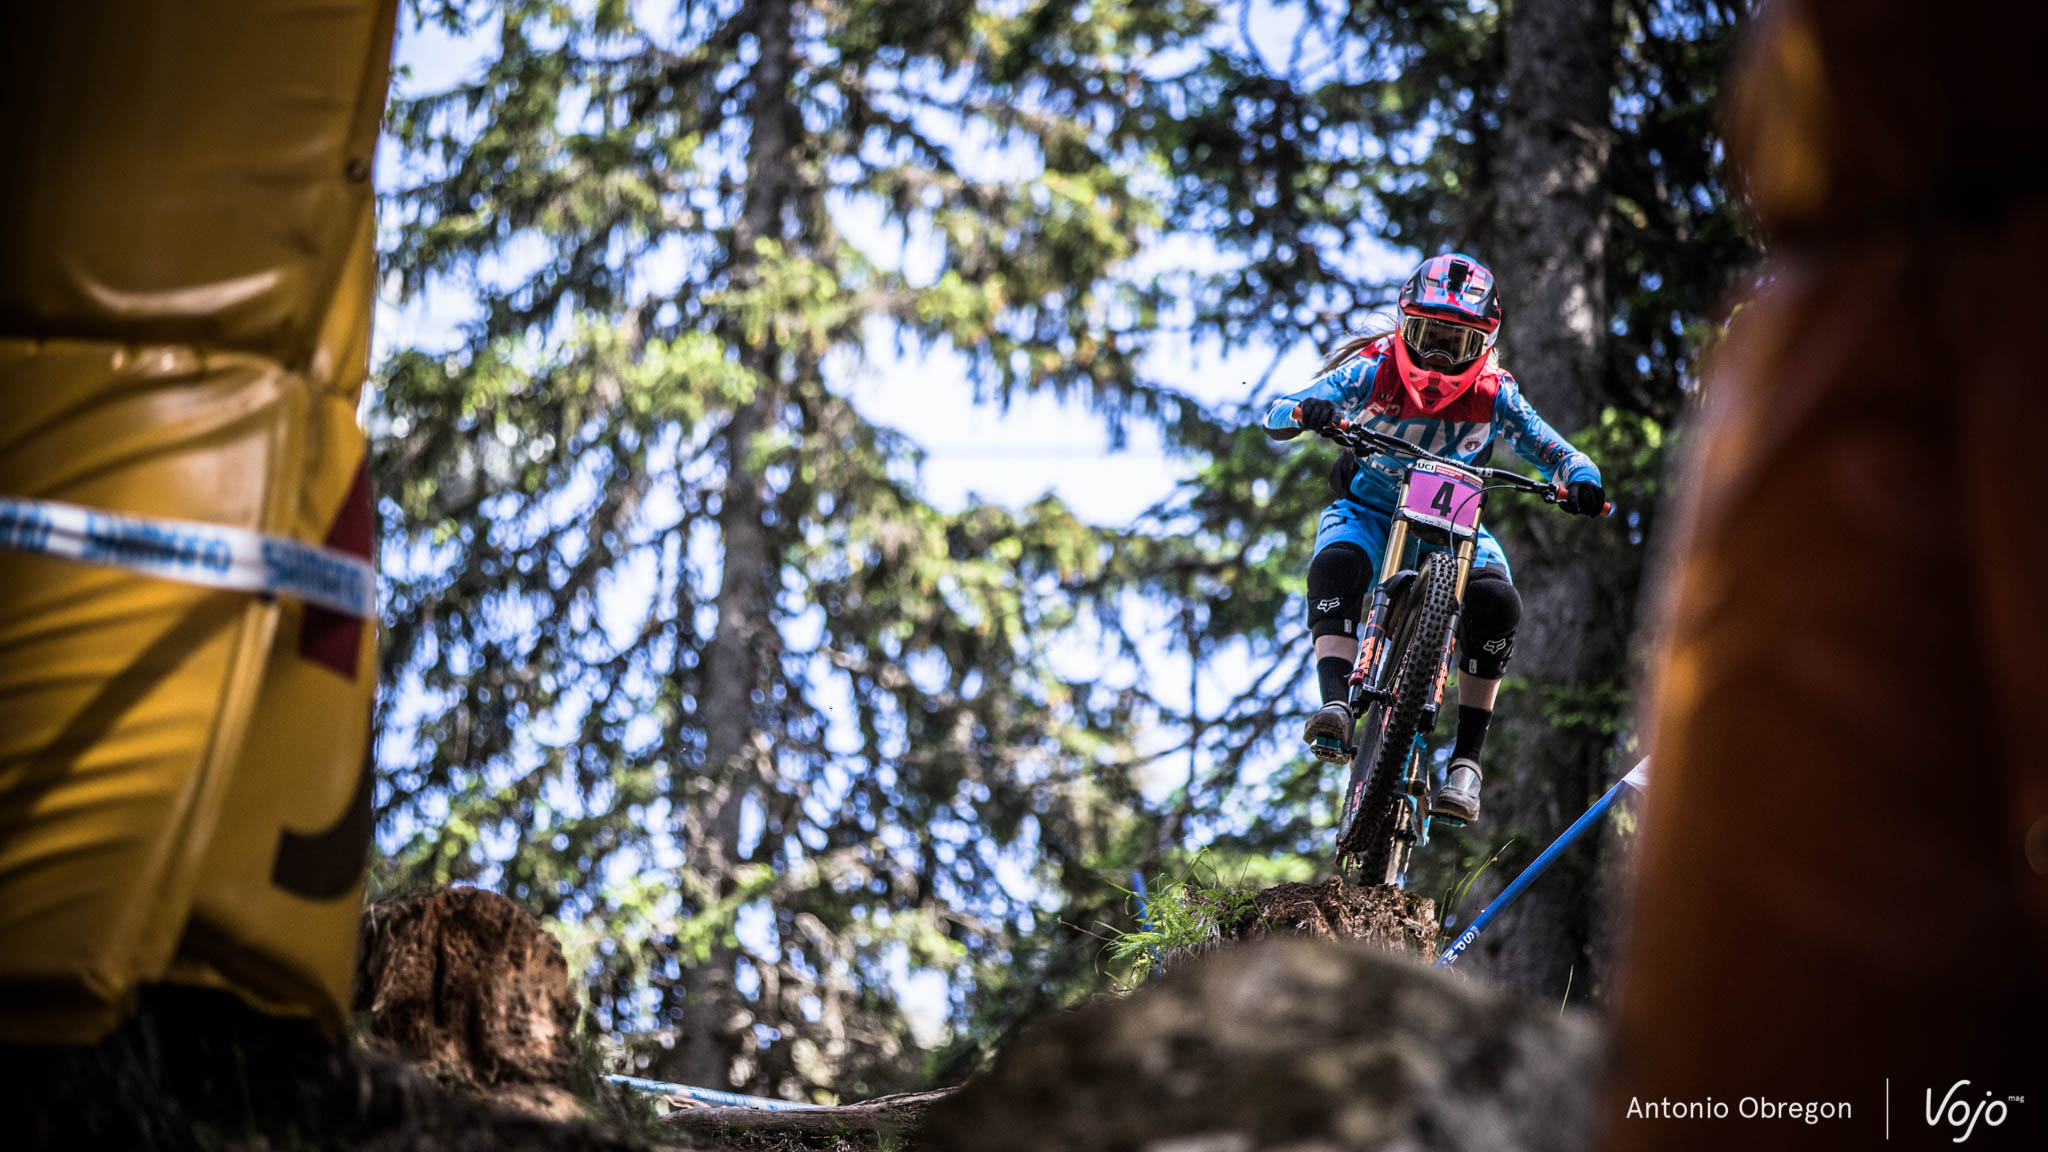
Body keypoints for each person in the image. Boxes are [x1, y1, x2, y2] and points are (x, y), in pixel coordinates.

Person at [1261, 253, 1606, 822]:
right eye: (1428, 337)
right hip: (1370, 509)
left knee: (1498, 602)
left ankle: (1466, 763)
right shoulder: (1372, 368)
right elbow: (1276, 411)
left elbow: (1559, 452)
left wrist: (1582, 480)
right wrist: (1306, 411)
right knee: (1337, 564)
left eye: (1459, 344)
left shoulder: (1495, 393)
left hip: (1457, 530)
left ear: (1485, 345)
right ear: (1403, 328)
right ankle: (1336, 704)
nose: (1441, 358)